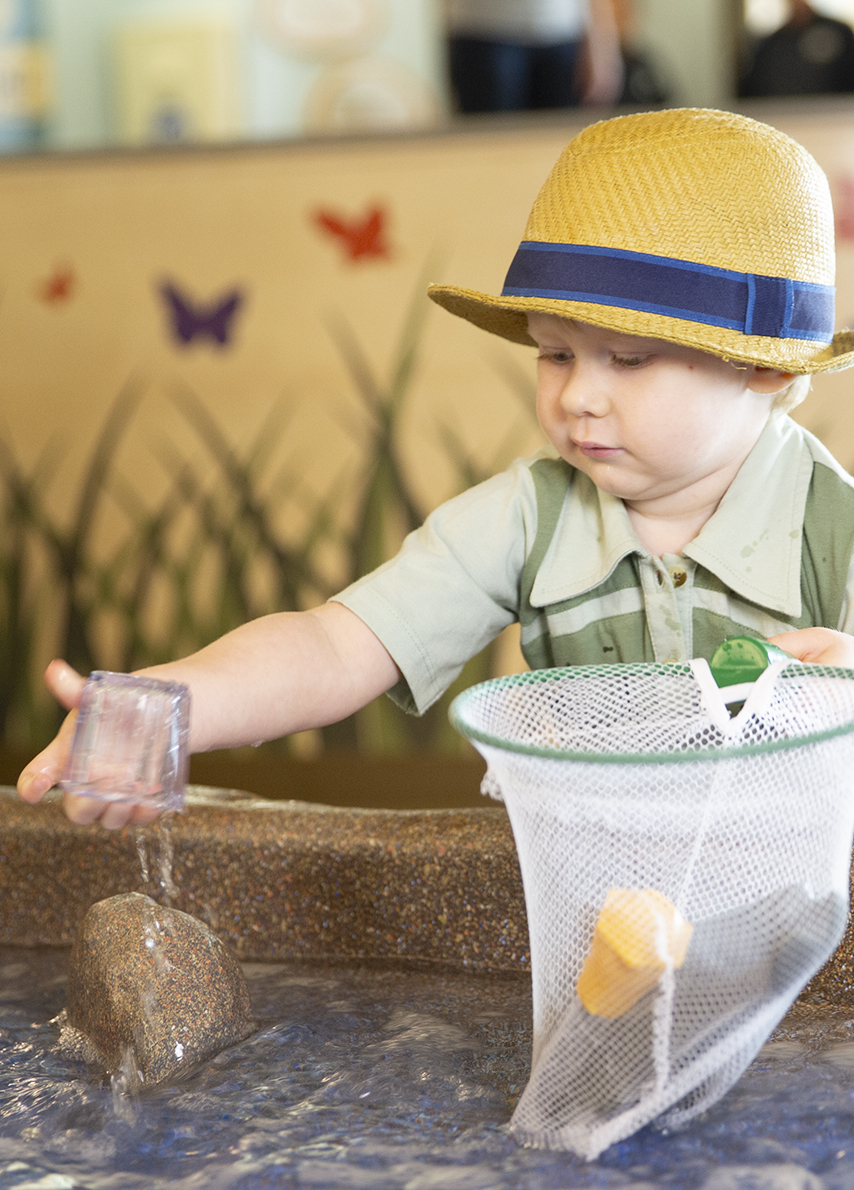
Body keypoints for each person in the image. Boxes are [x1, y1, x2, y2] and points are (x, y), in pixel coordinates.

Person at [17, 107, 854, 829]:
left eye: (629, 361)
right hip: (596, 894)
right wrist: (169, 704)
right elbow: (333, 647)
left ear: (769, 367)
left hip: (802, 893)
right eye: (556, 354)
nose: (578, 398)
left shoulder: (835, 532)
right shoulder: (530, 515)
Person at [445, 0, 623, 113]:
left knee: (562, 148)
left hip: (564, 31)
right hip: (483, 31)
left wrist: (603, 45)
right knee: (492, 146)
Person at [740, 0, 854, 98]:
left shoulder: (840, 33)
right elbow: (754, 90)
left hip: (835, 115)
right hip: (782, 117)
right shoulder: (770, 46)